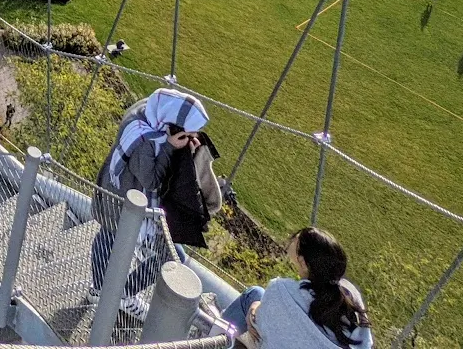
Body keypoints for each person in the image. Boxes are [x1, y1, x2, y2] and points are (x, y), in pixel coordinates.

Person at [90, 88, 214, 313]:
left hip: (117, 196)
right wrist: (169, 146)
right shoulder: (145, 141)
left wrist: (180, 145)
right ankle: (115, 294)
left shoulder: (147, 111)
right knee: (168, 256)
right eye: (187, 135)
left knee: (109, 239)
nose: (190, 141)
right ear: (171, 125)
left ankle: (104, 291)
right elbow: (152, 180)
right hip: (123, 206)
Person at [216, 227, 372, 347]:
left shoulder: (281, 290)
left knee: (253, 295)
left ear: (303, 262)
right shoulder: (350, 296)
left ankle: (211, 340)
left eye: (296, 239)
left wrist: (254, 310)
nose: (291, 239)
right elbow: (365, 343)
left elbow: (258, 326)